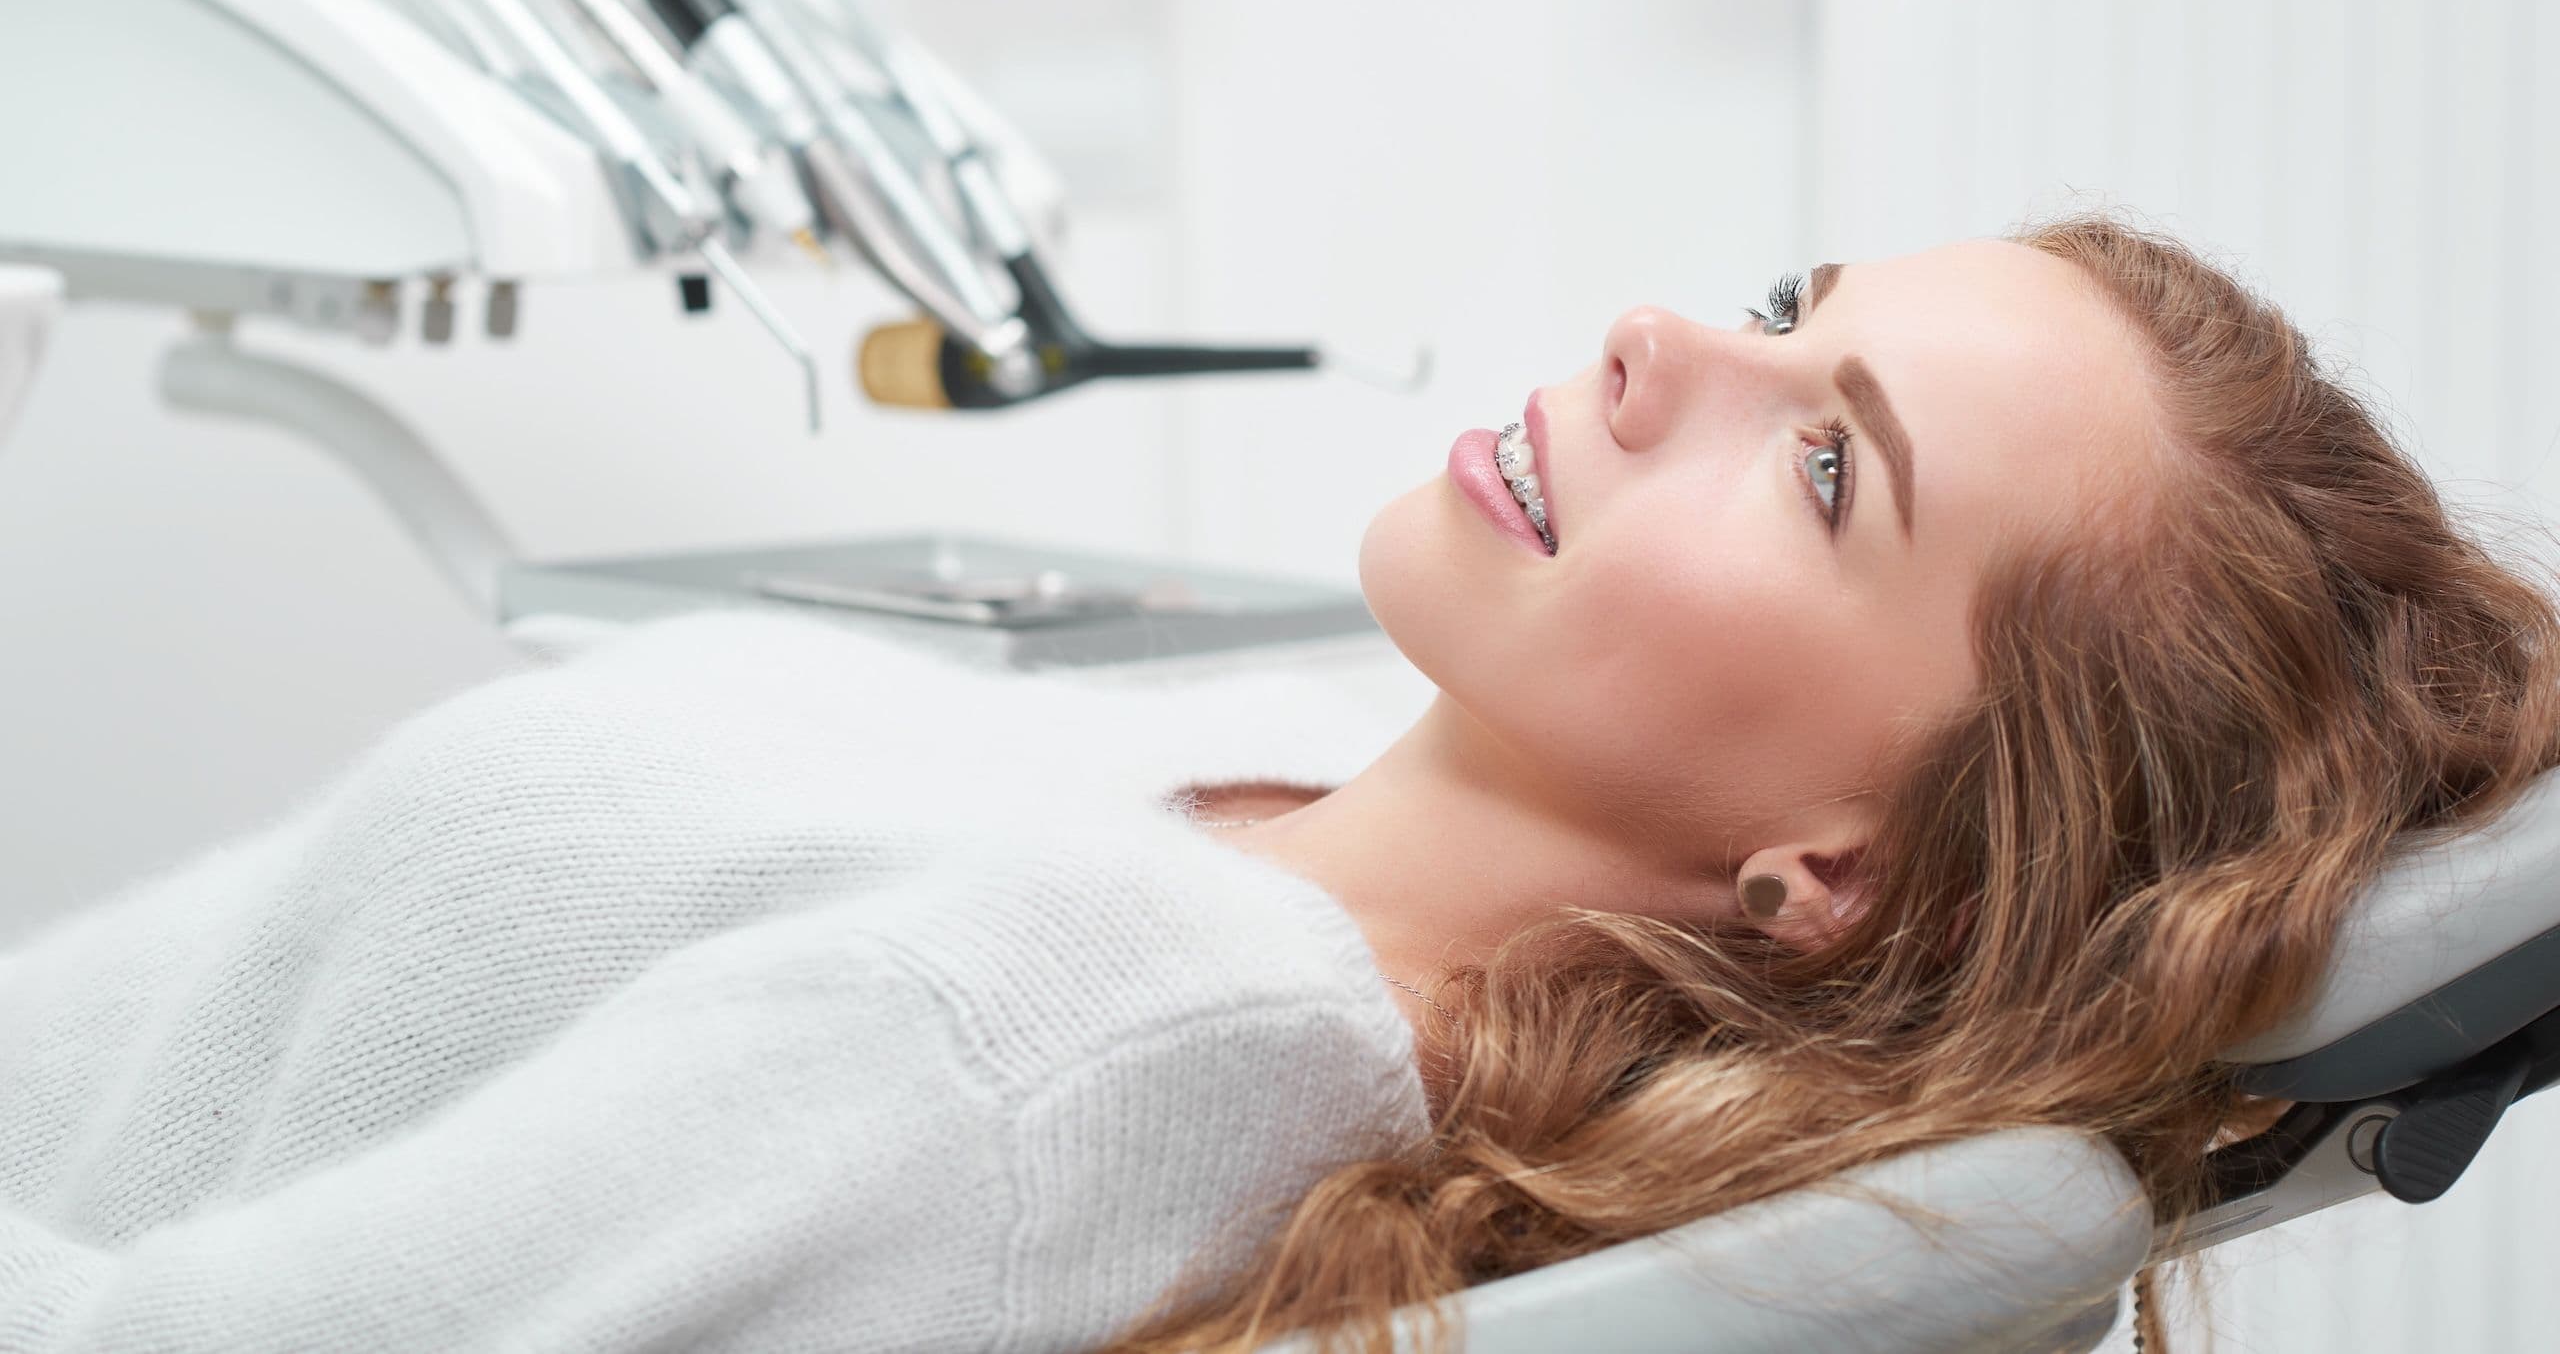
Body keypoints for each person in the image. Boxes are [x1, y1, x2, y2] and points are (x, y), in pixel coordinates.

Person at [2, 216, 2552, 1354]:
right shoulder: (1352, 823)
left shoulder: (1037, 1054)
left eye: (1819, 468)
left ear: (1843, 873)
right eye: (1786, 307)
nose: (1655, 341)